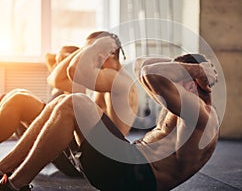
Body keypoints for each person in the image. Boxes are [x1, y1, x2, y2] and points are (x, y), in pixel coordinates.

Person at [0, 35, 218, 191]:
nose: (171, 85)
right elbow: (141, 67)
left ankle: (13, 185)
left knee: (74, 103)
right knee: (65, 103)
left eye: (176, 80)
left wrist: (195, 71)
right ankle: (5, 170)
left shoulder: (200, 115)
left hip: (135, 177)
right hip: (125, 164)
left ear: (193, 83)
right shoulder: (183, 108)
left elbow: (148, 73)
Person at [0, 31, 138, 177]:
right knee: (18, 95)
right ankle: (6, 167)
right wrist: (87, 48)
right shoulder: (106, 77)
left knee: (20, 101)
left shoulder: (118, 80)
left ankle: (4, 168)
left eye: (91, 51)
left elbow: (72, 71)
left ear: (106, 54)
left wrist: (87, 48)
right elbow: (55, 79)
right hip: (82, 151)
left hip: (95, 159)